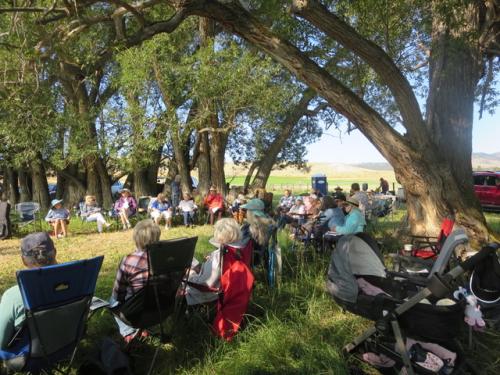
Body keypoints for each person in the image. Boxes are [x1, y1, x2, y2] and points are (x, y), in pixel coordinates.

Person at [0, 232, 57, 349]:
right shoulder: (76, 281)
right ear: (55, 252)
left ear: (23, 260)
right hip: (68, 345)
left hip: (30, 357)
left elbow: (1, 342)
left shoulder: (15, 295)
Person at [110, 219, 161, 342]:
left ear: (137, 239)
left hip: (136, 310)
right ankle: (143, 329)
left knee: (112, 300)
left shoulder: (129, 260)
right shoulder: (166, 256)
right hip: (162, 308)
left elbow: (118, 294)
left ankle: (129, 333)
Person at [185, 218, 245, 305]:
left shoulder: (218, 255)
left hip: (209, 293)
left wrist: (191, 273)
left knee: (187, 268)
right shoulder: (237, 250)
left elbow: (205, 283)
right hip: (227, 289)